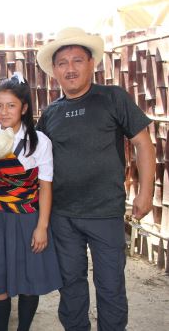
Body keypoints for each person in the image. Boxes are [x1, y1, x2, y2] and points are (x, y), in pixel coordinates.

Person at [35, 27, 155, 331]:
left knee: (110, 284)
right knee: (71, 283)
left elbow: (143, 143)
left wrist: (146, 192)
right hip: (63, 215)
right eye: (62, 63)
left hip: (105, 211)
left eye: (78, 60)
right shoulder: (51, 114)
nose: (70, 68)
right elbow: (36, 163)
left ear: (92, 64)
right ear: (55, 71)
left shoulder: (112, 98)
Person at [0, 73, 63, 331]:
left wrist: (42, 226)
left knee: (29, 279)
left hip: (28, 217)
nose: (4, 111)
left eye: (11, 105)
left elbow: (45, 187)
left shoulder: (40, 142)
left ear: (24, 108)